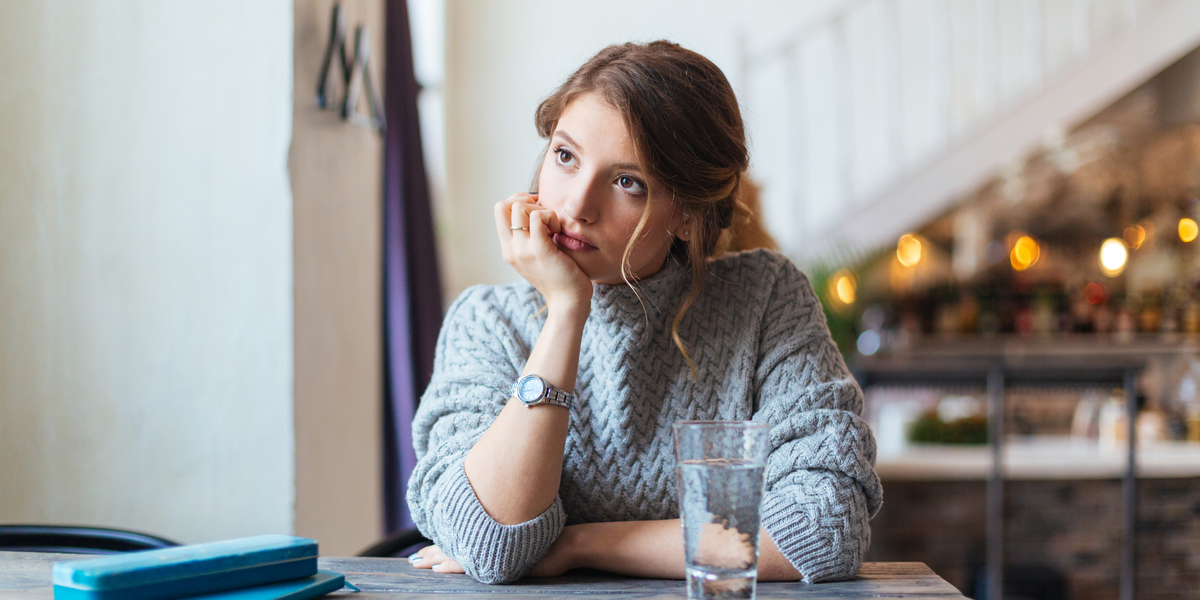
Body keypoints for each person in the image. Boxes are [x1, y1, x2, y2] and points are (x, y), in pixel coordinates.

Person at [405, 40, 882, 585]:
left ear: (685, 213)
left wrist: (581, 543)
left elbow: (823, 529)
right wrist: (566, 312)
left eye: (627, 182)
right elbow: (489, 544)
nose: (576, 206)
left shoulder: (765, 298)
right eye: (565, 156)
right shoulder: (487, 321)